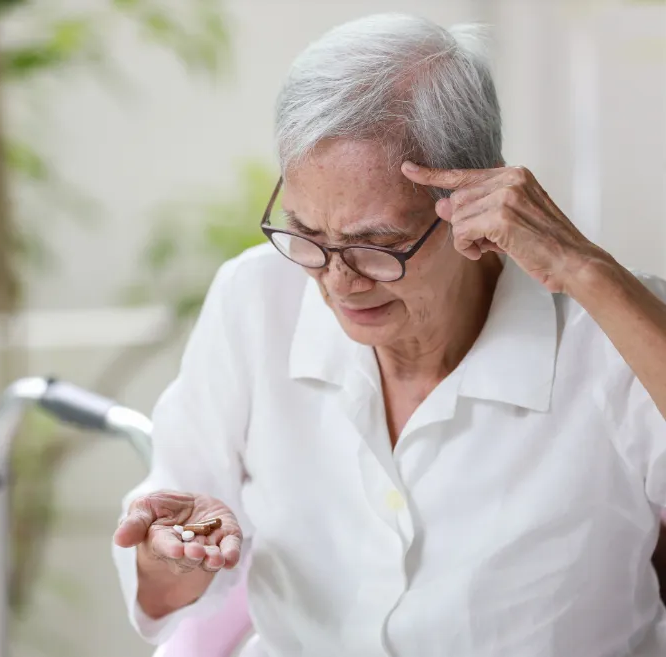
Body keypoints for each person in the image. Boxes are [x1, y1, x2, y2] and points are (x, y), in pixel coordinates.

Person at [111, 12, 666, 656]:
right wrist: (169, 559)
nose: (338, 282)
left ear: (479, 196)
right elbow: (164, 560)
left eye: (379, 245)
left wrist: (584, 269)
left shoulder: (613, 326)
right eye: (308, 235)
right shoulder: (256, 299)